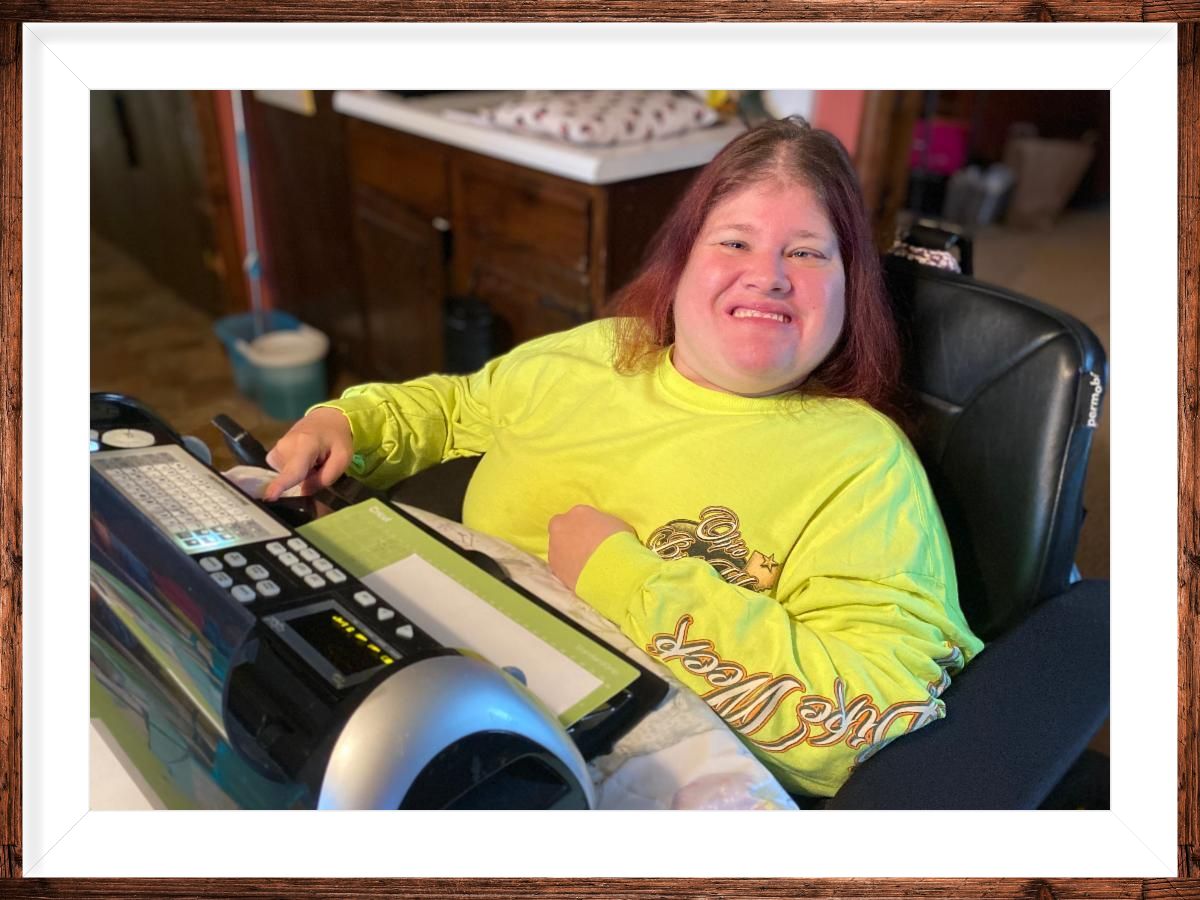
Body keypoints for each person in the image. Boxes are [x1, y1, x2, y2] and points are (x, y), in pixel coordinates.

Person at [263, 117, 984, 799]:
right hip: (433, 687)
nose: (767, 275)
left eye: (806, 252)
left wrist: (624, 579)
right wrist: (348, 421)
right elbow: (456, 407)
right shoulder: (597, 352)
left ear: (850, 285)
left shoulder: (862, 463)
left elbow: (876, 717)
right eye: (735, 242)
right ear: (682, 261)